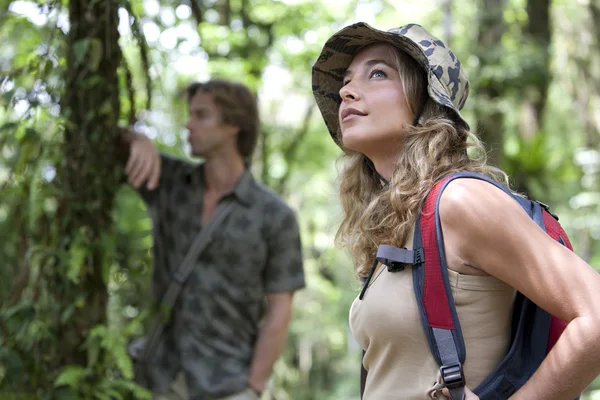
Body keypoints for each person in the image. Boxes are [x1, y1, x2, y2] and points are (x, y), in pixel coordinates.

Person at [312, 22, 600, 399]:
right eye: (346, 81)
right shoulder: (402, 224)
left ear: (425, 102)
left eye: (378, 73)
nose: (347, 91)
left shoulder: (459, 201)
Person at [122, 79, 305, 400]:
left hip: (227, 384)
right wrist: (135, 139)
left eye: (201, 115)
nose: (188, 124)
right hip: (158, 378)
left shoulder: (274, 216)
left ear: (234, 124)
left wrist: (254, 387)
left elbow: (279, 310)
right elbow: (100, 142)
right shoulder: (169, 182)